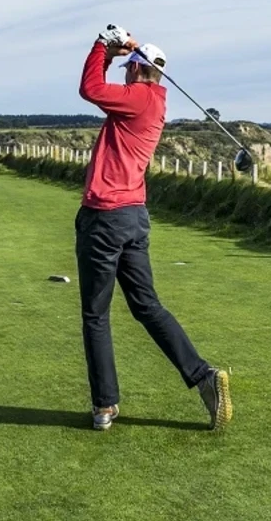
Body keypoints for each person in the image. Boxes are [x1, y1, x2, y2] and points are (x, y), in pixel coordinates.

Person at [74, 24, 232, 432]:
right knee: (146, 306)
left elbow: (90, 88)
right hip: (133, 217)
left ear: (137, 69)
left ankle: (104, 405)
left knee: (95, 314)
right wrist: (120, 50)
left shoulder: (136, 97)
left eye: (129, 67)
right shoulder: (153, 100)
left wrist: (101, 47)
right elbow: (103, 90)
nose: (125, 73)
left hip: (104, 217)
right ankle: (202, 375)